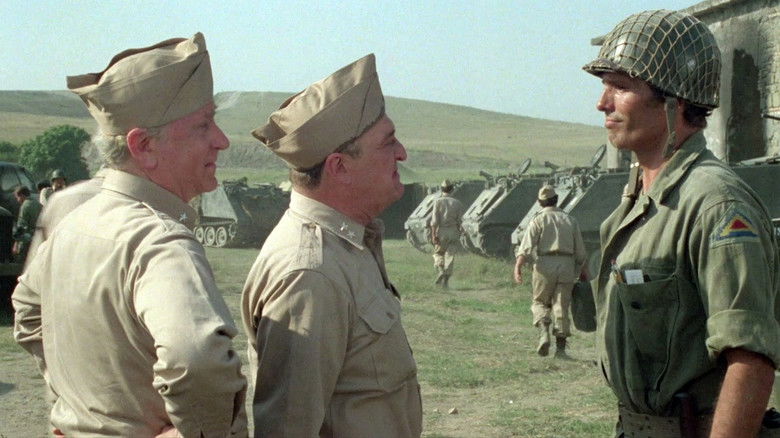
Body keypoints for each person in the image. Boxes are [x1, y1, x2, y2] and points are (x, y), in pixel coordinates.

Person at [12, 33, 247, 437]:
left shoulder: (74, 222)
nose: (221, 141)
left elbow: (28, 310)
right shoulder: (160, 241)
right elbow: (197, 358)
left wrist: (78, 405)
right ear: (144, 146)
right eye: (203, 125)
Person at [584, 10, 780, 437]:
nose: (602, 103)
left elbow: (750, 360)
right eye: (604, 85)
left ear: (675, 100)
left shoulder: (715, 204)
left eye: (621, 86)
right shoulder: (639, 198)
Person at [241, 54, 422, 437]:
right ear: (340, 167)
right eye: (387, 142)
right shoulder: (310, 273)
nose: (402, 153)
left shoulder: (347, 244)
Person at [513, 184, 586, 358]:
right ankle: (560, 350)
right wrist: (584, 271)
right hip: (566, 264)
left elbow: (526, 246)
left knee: (540, 302)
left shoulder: (538, 219)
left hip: (544, 264)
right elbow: (581, 252)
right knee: (561, 305)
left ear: (540, 202)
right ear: (557, 200)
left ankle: (544, 332)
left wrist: (518, 267)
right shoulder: (570, 220)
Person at [430, 179, 464, 289]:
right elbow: (460, 221)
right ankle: (445, 282)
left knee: (438, 253)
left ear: (441, 189)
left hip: (442, 231)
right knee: (450, 256)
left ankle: (441, 270)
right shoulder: (457, 203)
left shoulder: (438, 202)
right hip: (453, 231)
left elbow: (434, 221)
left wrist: (433, 235)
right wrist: (460, 232)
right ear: (452, 189)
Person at [12, 185, 42, 263]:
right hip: (39, 240)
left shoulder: (25, 206)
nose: (17, 200)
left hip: (27, 242)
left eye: (17, 198)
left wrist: (16, 244)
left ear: (22, 195)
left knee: (21, 263)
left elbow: (21, 227)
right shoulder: (38, 204)